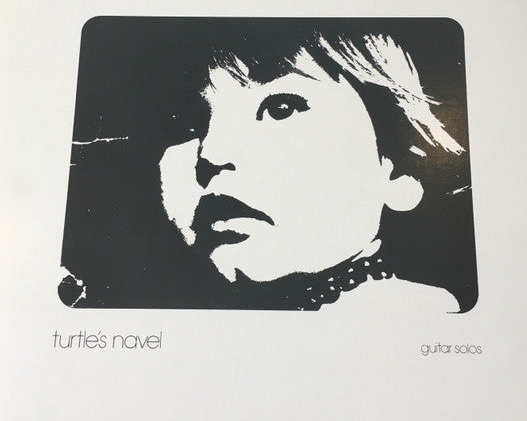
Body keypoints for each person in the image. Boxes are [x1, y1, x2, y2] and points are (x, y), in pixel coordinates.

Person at [59, 17, 477, 312]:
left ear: (401, 169)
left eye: (281, 108)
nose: (211, 154)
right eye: (188, 123)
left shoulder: (407, 321)